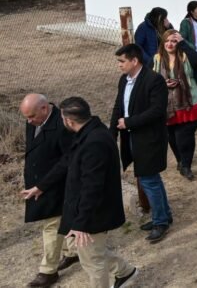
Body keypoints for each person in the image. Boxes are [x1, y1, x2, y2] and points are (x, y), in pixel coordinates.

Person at [57, 97, 138, 288]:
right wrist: (42, 186)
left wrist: (81, 223)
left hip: (94, 214)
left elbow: (92, 187)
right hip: (91, 211)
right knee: (93, 253)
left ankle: (126, 272)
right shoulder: (91, 132)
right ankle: (126, 272)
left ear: (69, 120)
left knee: (93, 262)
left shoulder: (93, 142)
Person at [110, 43, 172, 243]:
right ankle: (164, 215)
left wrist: (129, 122)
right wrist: (112, 133)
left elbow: (157, 111)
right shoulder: (124, 80)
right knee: (151, 179)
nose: (119, 65)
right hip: (132, 137)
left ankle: (160, 221)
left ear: (134, 61)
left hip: (150, 139)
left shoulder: (154, 81)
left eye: (122, 61)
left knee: (148, 179)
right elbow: (118, 106)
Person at [18, 94, 77, 288]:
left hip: (57, 184)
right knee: (61, 221)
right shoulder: (34, 120)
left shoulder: (63, 126)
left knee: (52, 226)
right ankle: (72, 252)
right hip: (39, 183)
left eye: (32, 116)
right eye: (26, 117)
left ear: (44, 108)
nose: (29, 121)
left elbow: (68, 159)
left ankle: (48, 271)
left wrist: (42, 185)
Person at [153, 30, 197, 181]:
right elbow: (151, 79)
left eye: (174, 41)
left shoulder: (185, 56)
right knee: (172, 135)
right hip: (167, 104)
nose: (170, 44)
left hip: (189, 102)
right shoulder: (156, 59)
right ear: (163, 43)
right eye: (167, 41)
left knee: (185, 136)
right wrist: (162, 83)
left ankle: (186, 166)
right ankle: (180, 161)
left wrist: (183, 43)